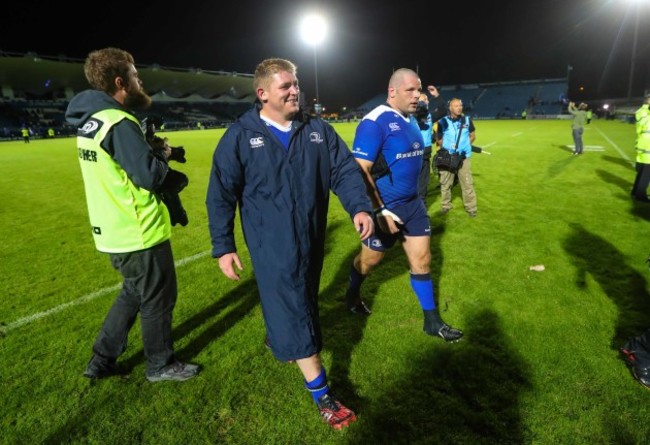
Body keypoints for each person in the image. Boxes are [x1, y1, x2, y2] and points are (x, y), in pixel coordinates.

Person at [206, 58, 374, 430]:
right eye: (286, 86)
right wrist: (224, 246)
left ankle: (278, 333)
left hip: (312, 240)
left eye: (295, 84)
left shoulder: (316, 130)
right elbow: (220, 194)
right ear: (263, 94)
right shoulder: (240, 136)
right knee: (297, 313)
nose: (295, 90)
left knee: (303, 299)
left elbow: (344, 170)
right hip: (271, 245)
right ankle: (323, 396)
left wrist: (359, 207)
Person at [65, 47, 199, 382]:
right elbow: (149, 176)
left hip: (112, 229)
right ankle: (160, 364)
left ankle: (101, 359)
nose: (141, 80)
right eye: (136, 75)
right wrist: (164, 155)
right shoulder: (119, 121)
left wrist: (152, 149)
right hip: (137, 228)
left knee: (134, 293)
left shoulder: (91, 120)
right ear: (120, 81)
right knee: (158, 296)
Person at [343, 68, 463, 343]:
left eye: (418, 89)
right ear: (392, 91)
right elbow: (360, 170)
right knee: (369, 261)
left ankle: (432, 322)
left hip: (413, 205)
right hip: (385, 209)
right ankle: (351, 295)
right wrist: (380, 211)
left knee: (422, 260)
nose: (417, 95)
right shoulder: (375, 122)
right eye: (410, 90)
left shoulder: (409, 120)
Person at [436, 98, 478, 217]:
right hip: (448, 157)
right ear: (450, 108)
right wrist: (448, 148)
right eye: (456, 106)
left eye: (460, 105)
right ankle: (445, 205)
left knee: (467, 183)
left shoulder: (467, 120)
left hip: (463, 158)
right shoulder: (442, 121)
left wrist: (464, 147)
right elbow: (438, 139)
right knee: (445, 183)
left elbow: (473, 135)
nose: (459, 108)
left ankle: (471, 208)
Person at [414, 86, 446, 201]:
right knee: (411, 180)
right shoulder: (410, 115)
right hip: (412, 153)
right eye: (423, 100)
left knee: (423, 182)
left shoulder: (429, 116)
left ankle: (421, 206)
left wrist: (436, 95)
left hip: (426, 154)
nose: (426, 101)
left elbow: (443, 110)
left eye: (427, 99)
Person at [630, 93, 650, 203]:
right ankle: (641, 194)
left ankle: (635, 191)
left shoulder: (642, 111)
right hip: (648, 146)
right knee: (647, 173)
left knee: (642, 171)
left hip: (643, 144)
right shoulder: (645, 113)